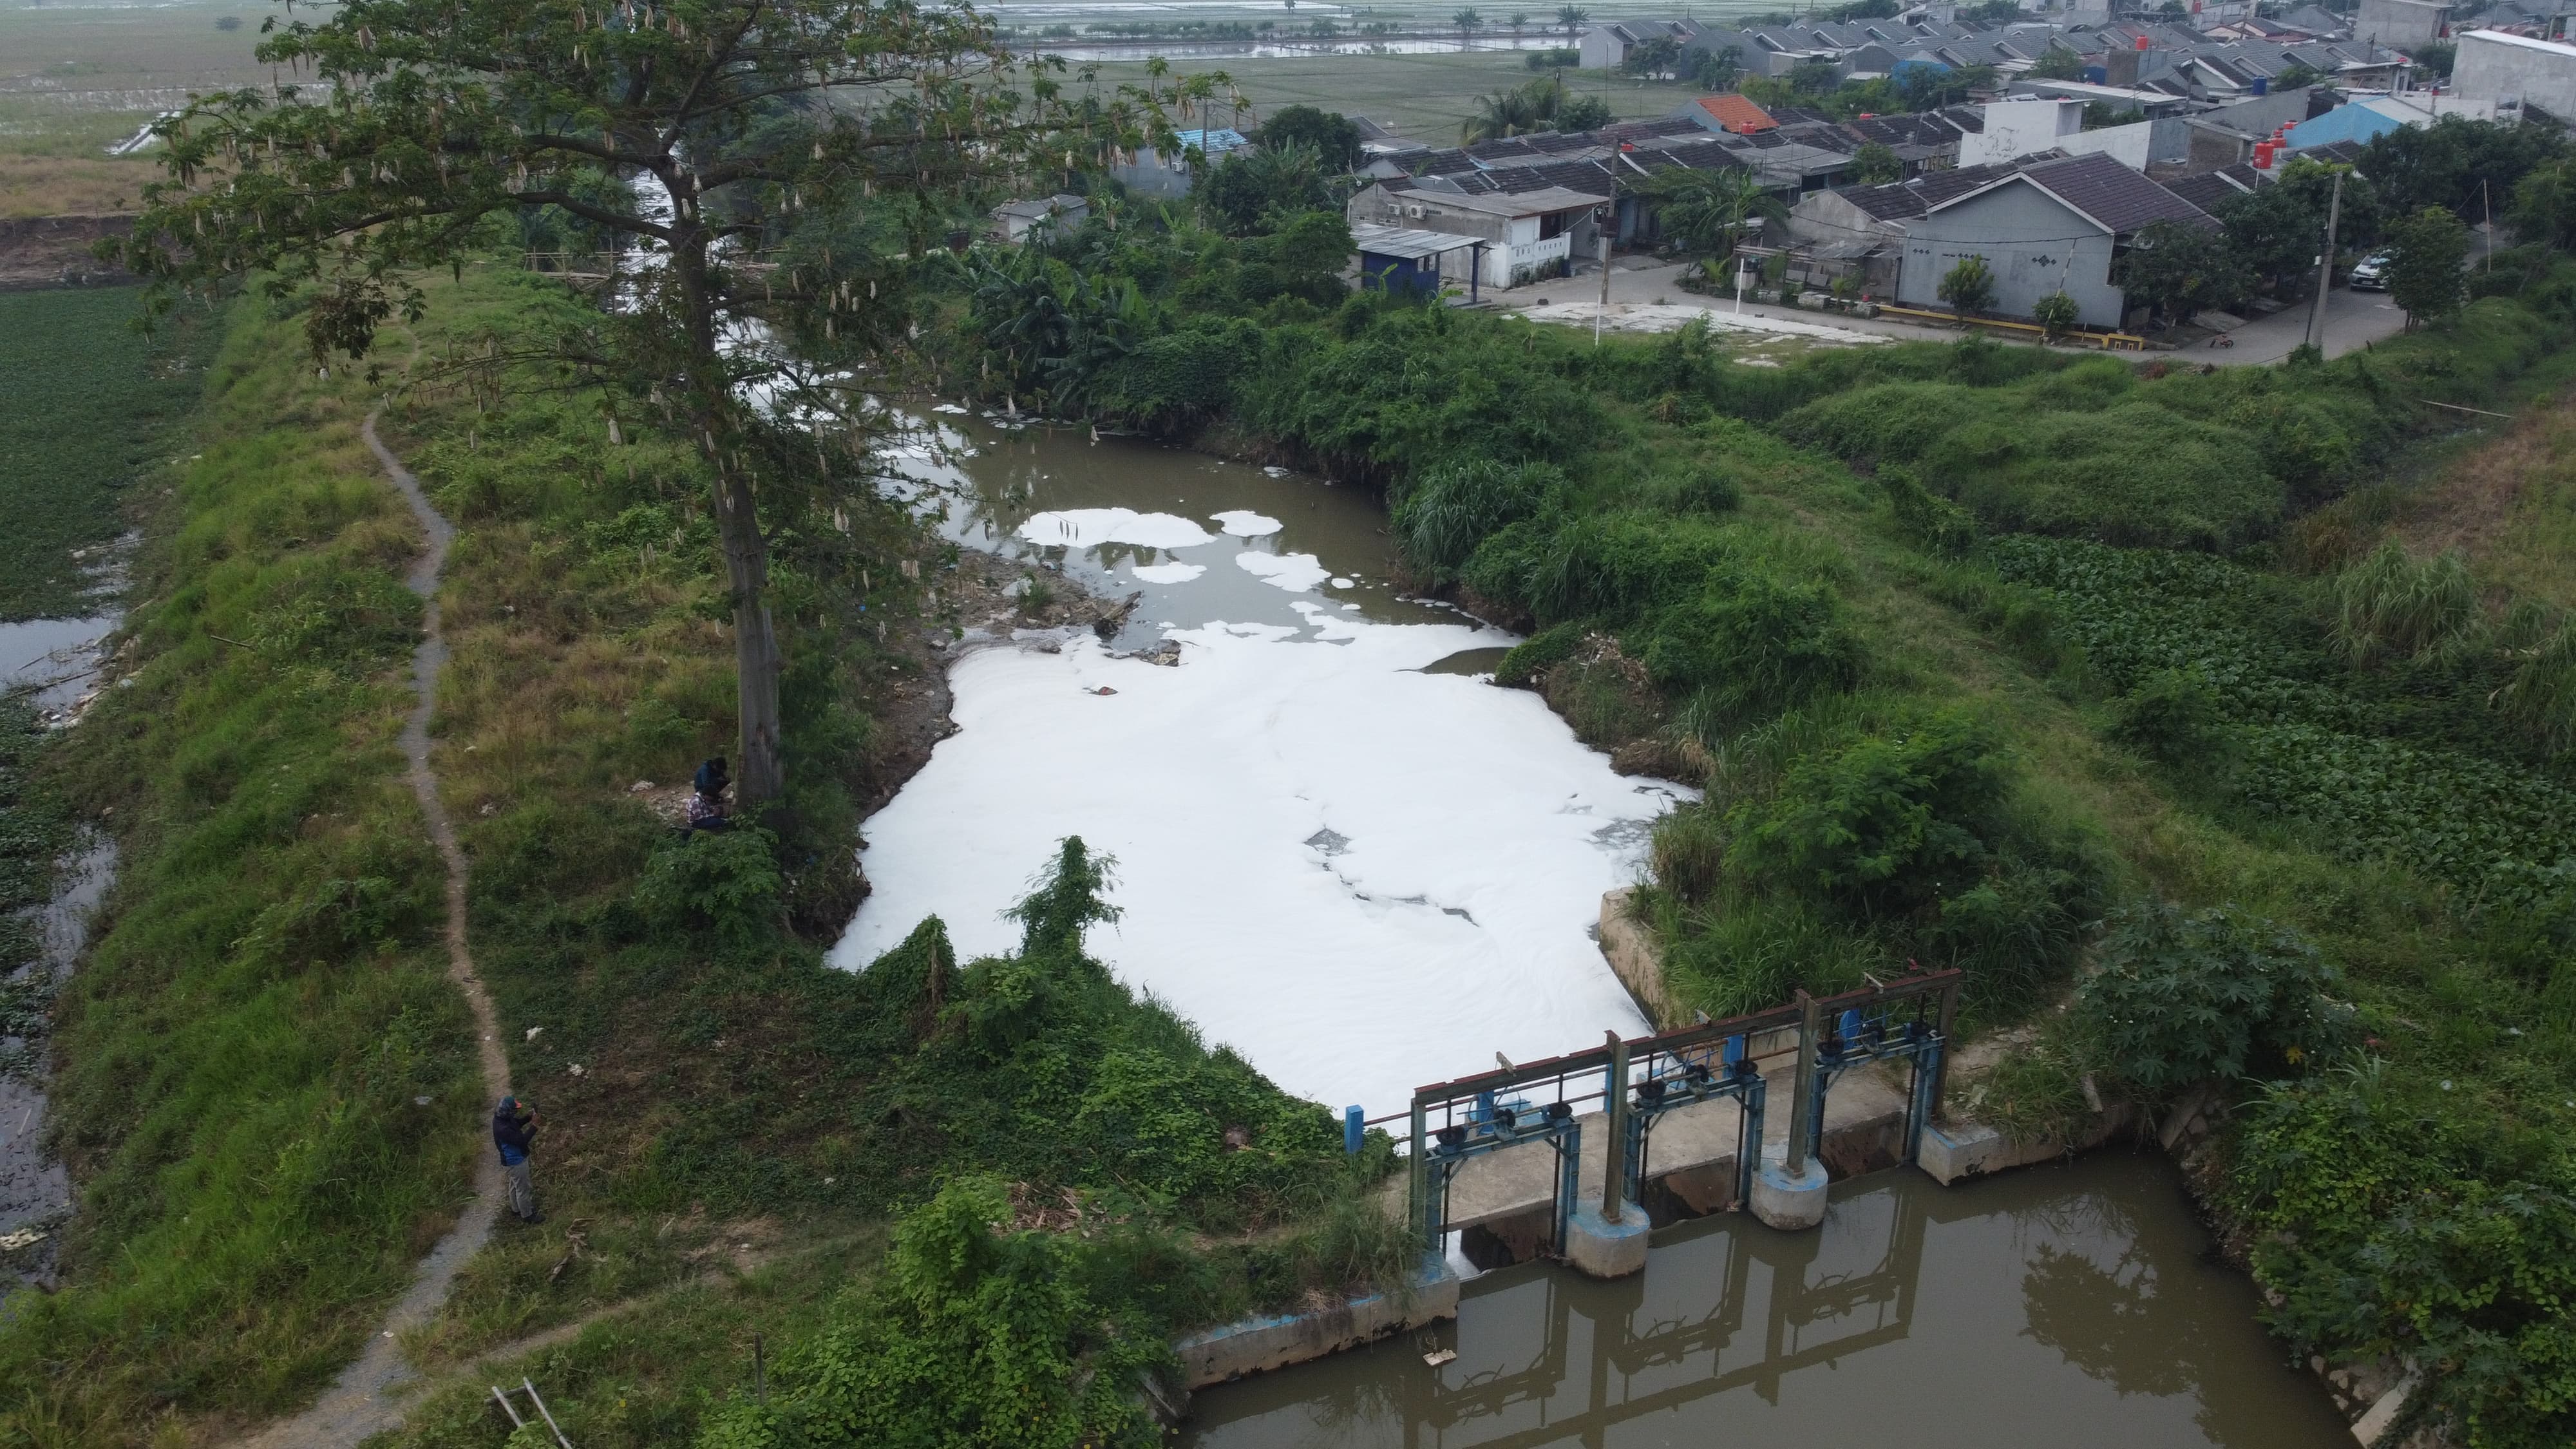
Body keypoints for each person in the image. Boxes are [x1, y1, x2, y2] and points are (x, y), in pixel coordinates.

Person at [492, 1095, 543, 1224]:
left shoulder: (501, 1119)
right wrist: (534, 1126)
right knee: (523, 1189)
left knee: (515, 1185)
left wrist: (528, 1117)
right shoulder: (503, 1129)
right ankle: (527, 1215)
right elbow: (522, 1141)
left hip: (511, 1162)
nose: (516, 1112)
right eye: (514, 1110)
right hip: (516, 1162)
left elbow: (516, 1124)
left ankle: (516, 1209)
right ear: (508, 1111)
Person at [687, 755, 733, 835]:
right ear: (706, 795)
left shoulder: (703, 799)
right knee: (719, 822)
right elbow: (700, 818)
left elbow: (706, 809)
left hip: (705, 815)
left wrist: (714, 809)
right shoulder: (696, 801)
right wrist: (713, 815)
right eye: (711, 798)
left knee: (720, 813)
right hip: (697, 823)